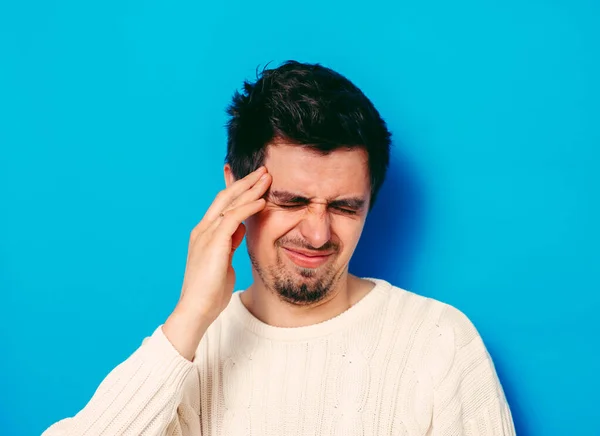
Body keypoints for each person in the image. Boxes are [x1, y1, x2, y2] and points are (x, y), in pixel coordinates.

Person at [43, 61, 515, 436]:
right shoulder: (186, 355)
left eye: (346, 208)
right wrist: (189, 318)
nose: (317, 234)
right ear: (235, 190)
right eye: (291, 201)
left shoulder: (439, 342)